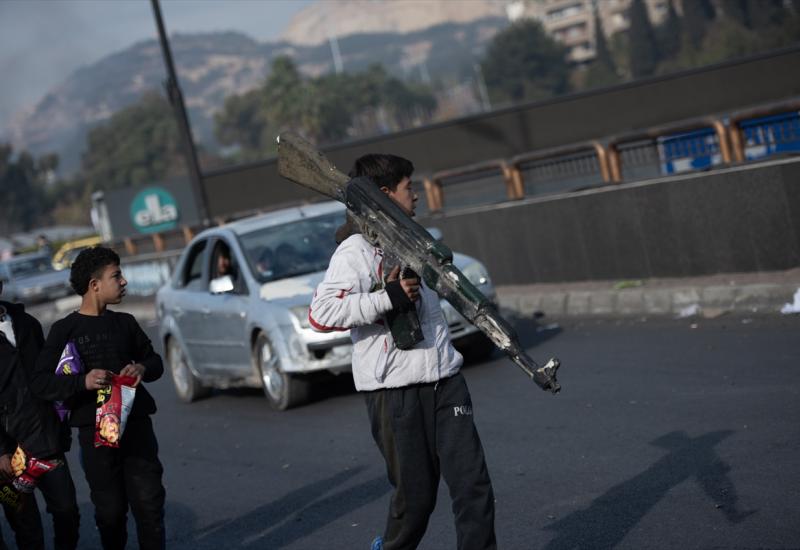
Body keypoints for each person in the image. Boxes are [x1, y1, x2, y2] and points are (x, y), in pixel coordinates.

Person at [310, 154, 496, 550]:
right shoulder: (355, 251)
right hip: (394, 392)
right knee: (416, 501)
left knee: (473, 486)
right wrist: (387, 298)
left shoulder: (417, 239)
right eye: (409, 188)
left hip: (446, 381)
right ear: (384, 195)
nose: (418, 196)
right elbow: (321, 314)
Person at [31, 247, 166, 550]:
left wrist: (142, 367)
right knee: (111, 513)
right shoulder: (64, 330)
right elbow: (40, 382)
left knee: (150, 504)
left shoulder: (126, 323)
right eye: (116, 275)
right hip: (96, 436)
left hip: (137, 427)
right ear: (94, 285)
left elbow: (155, 361)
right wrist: (83, 381)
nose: (124, 282)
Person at [0, 280, 80, 550]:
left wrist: (62, 426)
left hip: (46, 441)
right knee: (24, 524)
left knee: (67, 511)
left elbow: (51, 379)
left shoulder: (27, 324)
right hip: (6, 458)